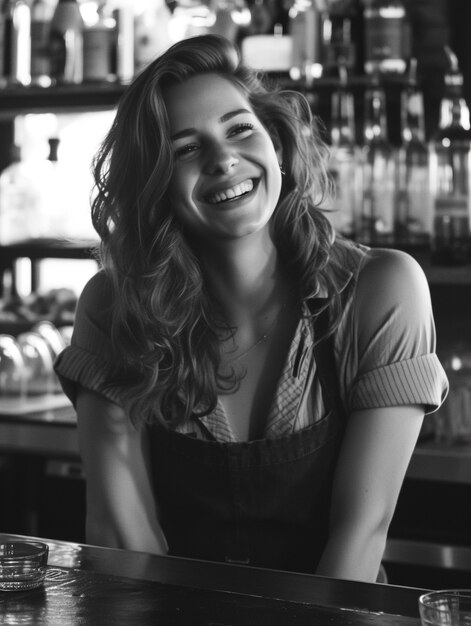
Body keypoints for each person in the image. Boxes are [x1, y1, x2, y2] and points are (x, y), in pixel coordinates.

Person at [54, 34, 448, 583]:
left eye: (240, 129)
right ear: (156, 184)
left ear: (279, 145)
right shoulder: (116, 307)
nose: (223, 160)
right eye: (185, 148)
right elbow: (123, 539)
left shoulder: (381, 289)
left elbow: (360, 535)